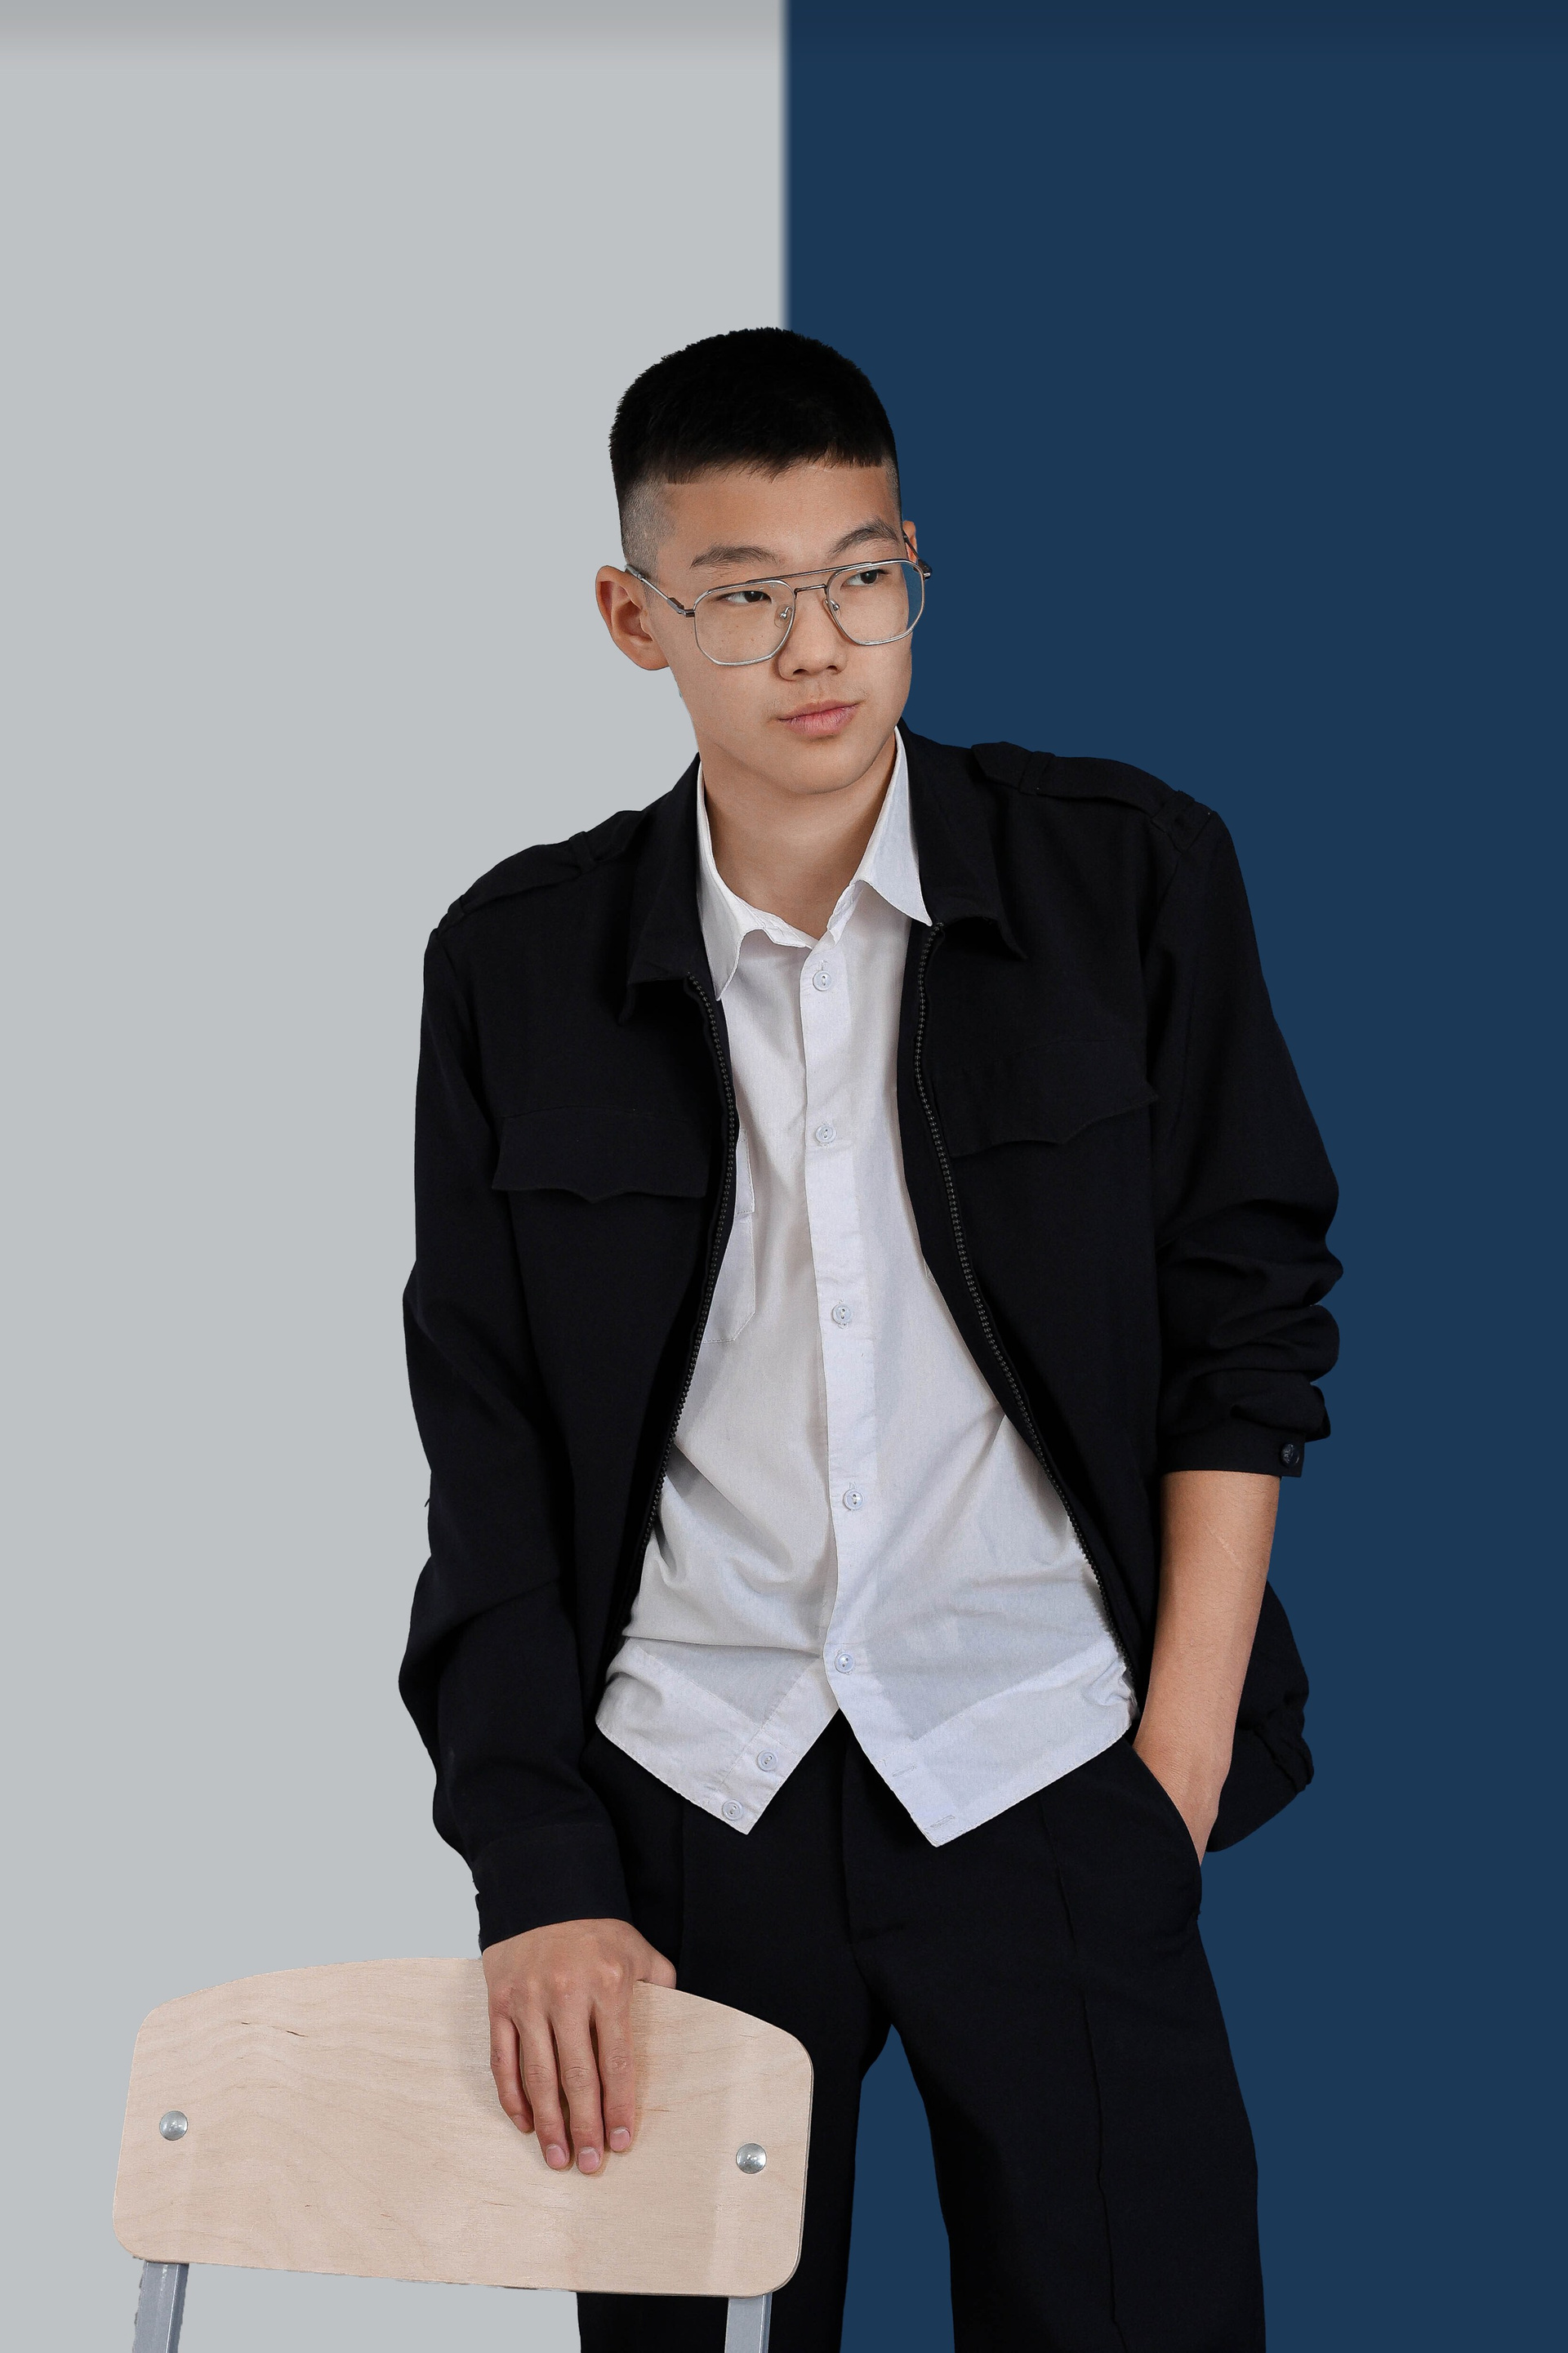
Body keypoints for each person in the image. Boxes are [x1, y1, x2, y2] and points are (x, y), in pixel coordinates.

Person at [399, 326, 1339, 2351]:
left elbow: (1247, 1330)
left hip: (1047, 1762)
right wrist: (542, 1866)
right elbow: (486, 1450)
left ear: (917, 570)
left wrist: (1170, 1772)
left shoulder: (1130, 878)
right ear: (634, 618)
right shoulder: (513, 967)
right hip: (689, 1799)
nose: (816, 643)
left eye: (861, 574)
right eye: (743, 593)